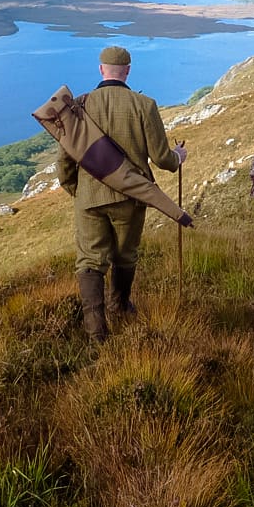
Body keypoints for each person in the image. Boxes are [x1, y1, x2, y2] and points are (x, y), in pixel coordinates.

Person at [57, 45, 187, 343]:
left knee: (90, 261)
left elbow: (64, 160)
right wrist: (179, 156)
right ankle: (120, 306)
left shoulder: (79, 105)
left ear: (101, 69)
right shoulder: (144, 105)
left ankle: (96, 333)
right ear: (128, 70)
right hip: (130, 197)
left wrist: (76, 190)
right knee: (125, 255)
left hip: (89, 198)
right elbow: (162, 158)